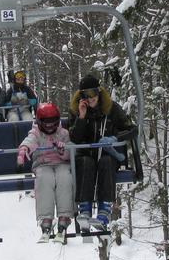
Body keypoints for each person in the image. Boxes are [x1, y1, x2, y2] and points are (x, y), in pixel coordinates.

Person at [69, 74, 136, 232]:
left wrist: (114, 138)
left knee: (106, 162)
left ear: (99, 92)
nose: (89, 98)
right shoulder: (76, 111)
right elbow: (74, 138)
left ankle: (104, 209)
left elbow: (131, 129)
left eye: (92, 93)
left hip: (108, 154)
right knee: (86, 163)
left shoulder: (111, 108)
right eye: (85, 95)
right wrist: (82, 117)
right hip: (86, 155)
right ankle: (84, 208)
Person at [17, 103, 74, 243]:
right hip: (43, 164)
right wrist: (24, 150)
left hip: (61, 164)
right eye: (46, 124)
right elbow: (29, 141)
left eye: (52, 123)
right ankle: (46, 218)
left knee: (65, 178)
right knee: (44, 179)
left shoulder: (63, 133)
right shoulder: (36, 133)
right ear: (39, 122)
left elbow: (70, 153)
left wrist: (63, 150)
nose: (49, 127)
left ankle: (64, 216)